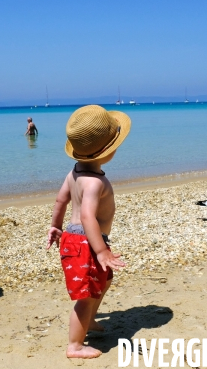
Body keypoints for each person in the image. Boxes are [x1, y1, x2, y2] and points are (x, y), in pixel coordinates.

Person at [46, 105, 131, 359]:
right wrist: (102, 251)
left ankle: (90, 320)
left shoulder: (75, 172)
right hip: (86, 242)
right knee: (86, 295)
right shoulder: (94, 183)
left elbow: (61, 201)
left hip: (77, 238)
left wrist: (55, 225)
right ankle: (74, 345)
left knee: (103, 280)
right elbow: (86, 216)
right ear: (108, 151)